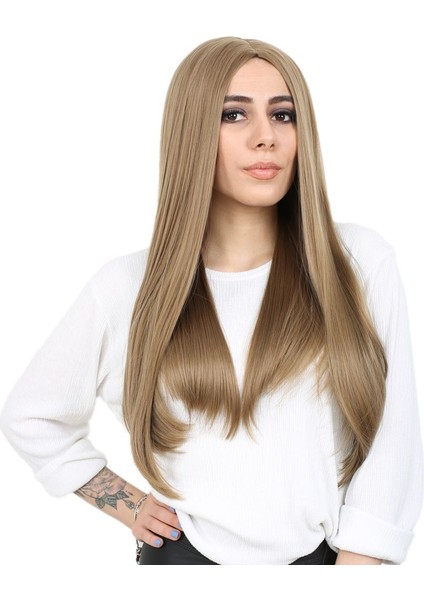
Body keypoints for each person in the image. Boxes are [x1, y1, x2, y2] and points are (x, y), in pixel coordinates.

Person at [1, 36, 423, 566]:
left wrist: (354, 570)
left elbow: (395, 440)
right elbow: (33, 415)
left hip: (329, 563)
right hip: (183, 564)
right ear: (192, 132)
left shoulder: (358, 263)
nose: (266, 137)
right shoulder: (127, 287)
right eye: (234, 114)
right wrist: (128, 505)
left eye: (283, 115)